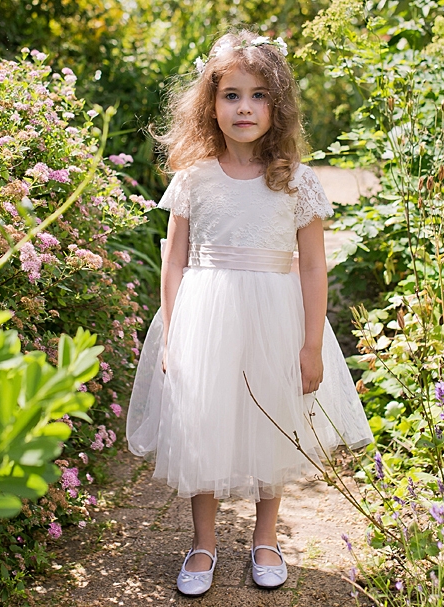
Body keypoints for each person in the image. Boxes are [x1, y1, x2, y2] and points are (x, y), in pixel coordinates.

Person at [126, 30, 373, 596]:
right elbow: (174, 260)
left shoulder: (295, 180)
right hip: (205, 315)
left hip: (275, 317)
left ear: (277, 106)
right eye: (231, 94)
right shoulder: (194, 178)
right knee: (204, 421)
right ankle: (204, 542)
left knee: (273, 423)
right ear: (210, 105)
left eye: (258, 95)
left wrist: (311, 344)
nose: (244, 107)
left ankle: (266, 538)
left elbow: (313, 266)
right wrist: (170, 335)